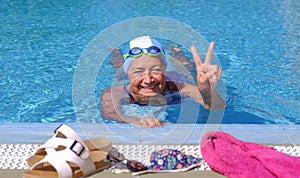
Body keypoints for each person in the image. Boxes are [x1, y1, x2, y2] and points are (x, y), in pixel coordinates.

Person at [100, 36, 225, 128]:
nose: (148, 80)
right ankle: (115, 52)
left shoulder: (179, 88)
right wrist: (135, 120)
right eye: (138, 72)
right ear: (128, 74)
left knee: (187, 67)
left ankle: (177, 51)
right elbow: (110, 113)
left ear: (165, 70)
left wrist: (206, 91)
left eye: (156, 70)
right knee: (117, 65)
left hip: (177, 77)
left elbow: (217, 107)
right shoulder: (115, 93)